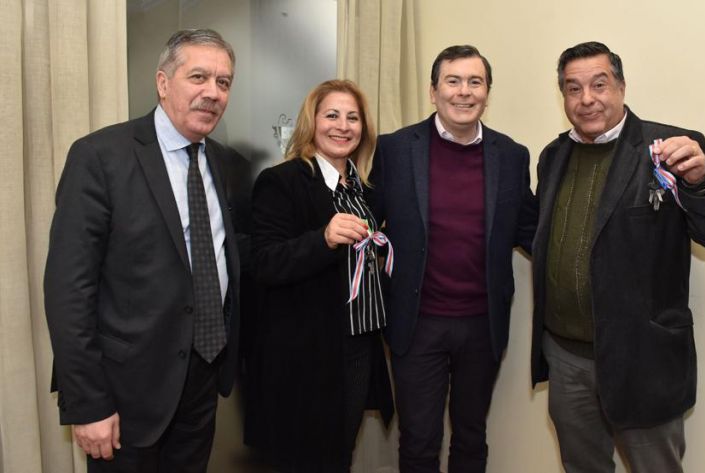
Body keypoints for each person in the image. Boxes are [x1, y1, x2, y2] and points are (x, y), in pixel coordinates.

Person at [530, 41, 705, 473]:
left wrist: (701, 181)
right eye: (573, 88)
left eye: (599, 84)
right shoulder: (553, 156)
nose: (586, 99)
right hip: (567, 357)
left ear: (622, 87)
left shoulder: (669, 149)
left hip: (643, 360)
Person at [44, 29, 243, 472]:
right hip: (124, 391)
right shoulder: (100, 156)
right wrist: (88, 403)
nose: (213, 93)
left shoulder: (223, 162)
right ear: (162, 83)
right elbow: (68, 290)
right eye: (198, 77)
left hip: (202, 379)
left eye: (224, 82)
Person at [368, 45, 538, 473]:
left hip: (482, 324)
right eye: (453, 81)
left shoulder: (512, 155)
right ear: (433, 91)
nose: (464, 92)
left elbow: (531, 230)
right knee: (419, 441)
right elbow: (365, 224)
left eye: (475, 82)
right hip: (416, 323)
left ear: (487, 92)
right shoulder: (395, 149)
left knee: (471, 437)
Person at [245, 79, 394, 473]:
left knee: (340, 452)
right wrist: (323, 240)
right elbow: (264, 262)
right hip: (307, 355)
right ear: (311, 122)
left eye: (353, 118)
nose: (343, 126)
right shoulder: (282, 181)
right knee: (306, 459)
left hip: (359, 346)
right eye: (332, 115)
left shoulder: (364, 190)